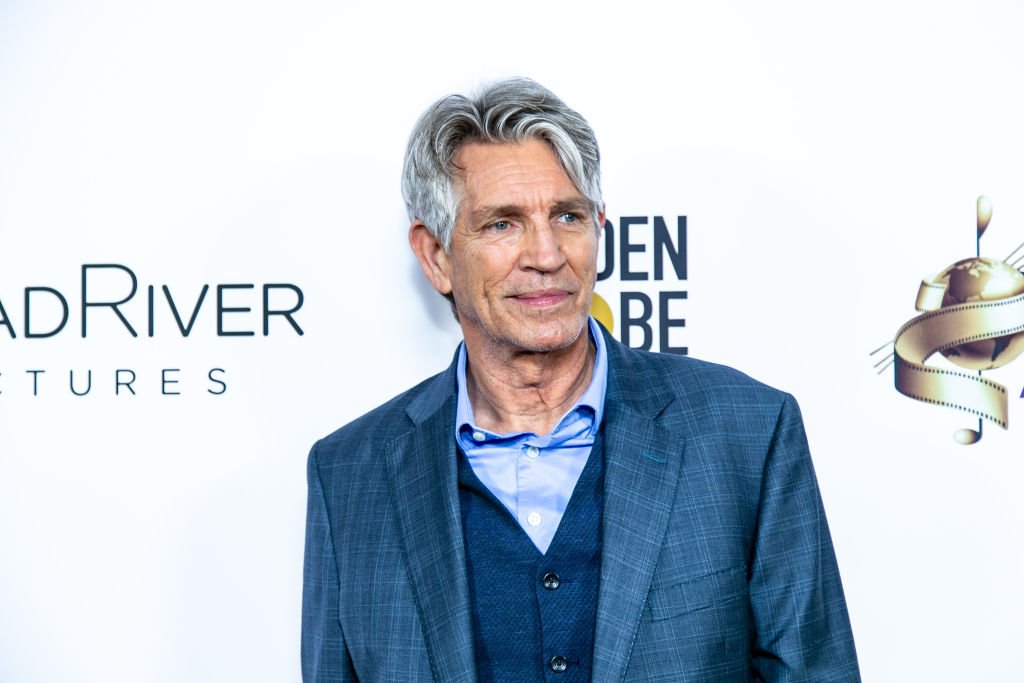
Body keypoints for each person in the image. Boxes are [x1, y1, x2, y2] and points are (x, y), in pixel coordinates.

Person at [301, 78, 860, 682]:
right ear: (436, 255)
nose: (546, 254)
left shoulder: (747, 434)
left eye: (567, 216)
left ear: (598, 229)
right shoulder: (350, 475)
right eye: (501, 225)